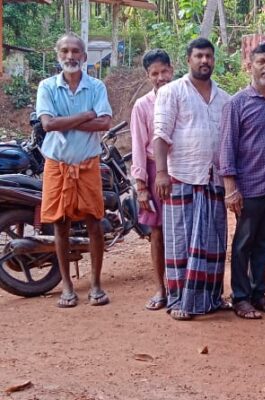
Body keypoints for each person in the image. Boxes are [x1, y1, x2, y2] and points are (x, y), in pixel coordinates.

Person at [153, 38, 231, 321]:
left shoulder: (225, 98)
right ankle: (178, 300)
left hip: (213, 180)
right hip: (180, 177)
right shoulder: (172, 92)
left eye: (208, 56)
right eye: (199, 56)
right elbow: (161, 134)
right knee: (180, 242)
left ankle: (210, 298)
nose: (204, 61)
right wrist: (161, 173)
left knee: (213, 243)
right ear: (188, 60)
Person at [36, 33, 113, 308]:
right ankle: (67, 287)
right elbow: (47, 124)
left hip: (88, 164)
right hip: (57, 165)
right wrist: (85, 115)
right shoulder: (47, 86)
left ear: (84, 56)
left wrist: (64, 121)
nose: (70, 56)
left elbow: (104, 123)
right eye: (65, 51)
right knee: (60, 224)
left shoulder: (96, 86)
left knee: (95, 223)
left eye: (76, 51)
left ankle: (96, 285)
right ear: (58, 55)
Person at [219, 44, 265, 320]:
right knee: (243, 244)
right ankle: (240, 296)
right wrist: (230, 188)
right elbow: (226, 148)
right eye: (261, 61)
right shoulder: (237, 104)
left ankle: (259, 292)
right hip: (249, 189)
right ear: (250, 66)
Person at [130, 49, 173, 311]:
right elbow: (138, 145)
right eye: (155, 74)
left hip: (182, 170)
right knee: (157, 232)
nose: (161, 78)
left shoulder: (182, 96)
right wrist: (141, 186)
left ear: (172, 70)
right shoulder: (142, 105)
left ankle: (183, 287)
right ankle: (161, 288)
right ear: (148, 76)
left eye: (164, 71)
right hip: (155, 170)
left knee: (182, 231)